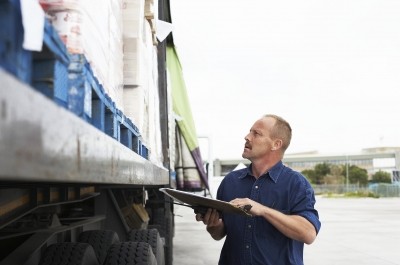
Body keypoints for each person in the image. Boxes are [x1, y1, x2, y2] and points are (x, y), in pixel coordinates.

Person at [196, 114, 321, 265]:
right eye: (250, 132)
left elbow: (308, 234)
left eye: (256, 133)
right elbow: (218, 234)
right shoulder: (230, 182)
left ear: (276, 144)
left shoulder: (296, 184)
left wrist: (263, 210)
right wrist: (213, 225)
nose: (247, 137)